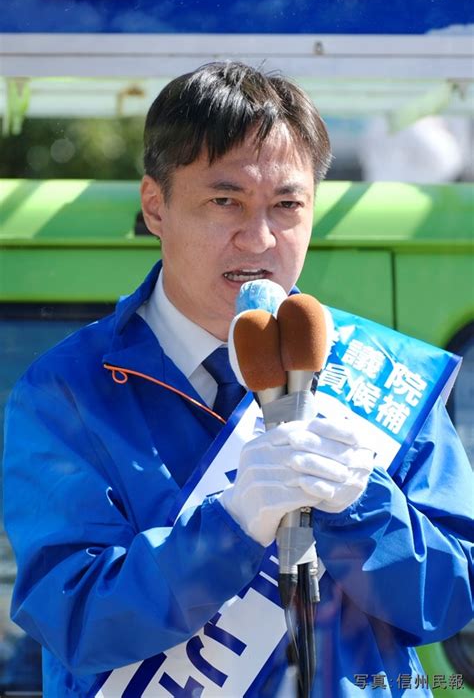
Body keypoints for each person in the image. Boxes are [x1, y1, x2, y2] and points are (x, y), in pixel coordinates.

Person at [3, 62, 473, 698]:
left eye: (287, 205)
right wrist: (228, 528)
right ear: (155, 205)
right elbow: (77, 621)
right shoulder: (65, 392)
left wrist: (364, 505)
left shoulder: (379, 371)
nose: (259, 239)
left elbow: (452, 601)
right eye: (225, 201)